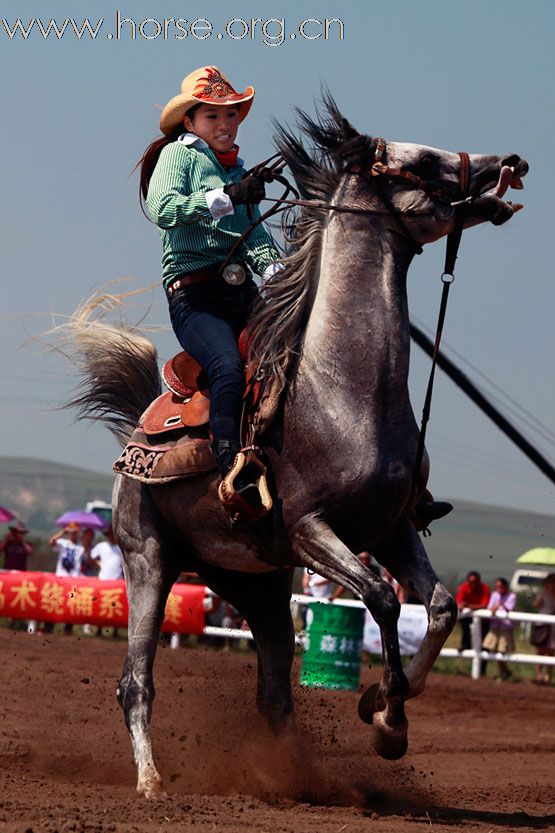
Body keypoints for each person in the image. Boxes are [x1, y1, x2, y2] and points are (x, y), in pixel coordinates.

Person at [138, 65, 280, 518]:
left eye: (232, 116)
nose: (225, 125)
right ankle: (230, 464)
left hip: (243, 292)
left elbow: (255, 238)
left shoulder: (237, 169)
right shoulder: (178, 157)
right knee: (226, 366)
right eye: (214, 116)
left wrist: (281, 276)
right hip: (195, 294)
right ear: (190, 122)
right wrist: (228, 197)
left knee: (302, 353)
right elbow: (162, 209)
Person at [482, 577, 517, 681]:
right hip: (494, 627)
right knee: (487, 647)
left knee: (502, 651)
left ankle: (503, 672)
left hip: (505, 627)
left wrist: (501, 605)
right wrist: (494, 608)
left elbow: (509, 609)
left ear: (505, 587)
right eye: (497, 587)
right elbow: (490, 608)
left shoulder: (512, 596)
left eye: (500, 587)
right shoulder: (494, 595)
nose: (499, 589)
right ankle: (504, 671)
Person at [456, 571, 491, 652]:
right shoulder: (464, 587)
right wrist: (461, 606)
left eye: (475, 582)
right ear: (468, 582)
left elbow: (484, 605)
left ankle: (483, 656)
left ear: (479, 581)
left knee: (484, 643)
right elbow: (459, 602)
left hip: (483, 619)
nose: (473, 584)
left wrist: (468, 606)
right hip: (469, 616)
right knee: (464, 624)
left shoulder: (485, 588)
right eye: (471, 582)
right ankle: (465, 644)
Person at [531, 573, 555, 685]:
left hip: (553, 626)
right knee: (540, 650)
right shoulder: (543, 593)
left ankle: (549, 676)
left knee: (551, 651)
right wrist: (542, 595)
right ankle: (539, 674)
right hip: (542, 624)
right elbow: (536, 605)